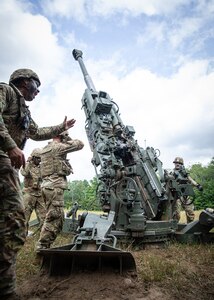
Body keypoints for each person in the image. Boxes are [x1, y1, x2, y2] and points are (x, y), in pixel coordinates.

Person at [0, 68, 76, 299]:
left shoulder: (23, 109)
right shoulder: (5, 90)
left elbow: (36, 132)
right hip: (3, 159)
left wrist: (60, 128)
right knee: (14, 224)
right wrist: (11, 145)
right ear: (24, 82)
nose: (39, 90)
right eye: (37, 84)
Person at [35, 131, 84, 251]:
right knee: (56, 218)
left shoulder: (45, 148)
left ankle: (43, 245)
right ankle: (42, 247)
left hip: (46, 186)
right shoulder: (58, 147)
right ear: (61, 136)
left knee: (51, 217)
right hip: (55, 187)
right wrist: (67, 137)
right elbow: (80, 144)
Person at [20, 148, 46, 234]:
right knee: (25, 216)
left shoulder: (41, 167)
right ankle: (23, 235)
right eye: (38, 158)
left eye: (40, 158)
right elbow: (24, 173)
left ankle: (42, 236)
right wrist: (28, 163)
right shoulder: (27, 166)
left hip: (39, 194)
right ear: (33, 157)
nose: (39, 160)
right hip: (29, 194)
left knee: (44, 216)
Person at [171, 157, 203, 223]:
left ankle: (189, 227)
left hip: (185, 195)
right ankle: (174, 228)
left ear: (182, 164)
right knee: (176, 215)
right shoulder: (172, 173)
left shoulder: (184, 173)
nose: (177, 164)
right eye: (176, 163)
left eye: (179, 163)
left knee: (190, 213)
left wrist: (197, 185)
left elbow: (190, 180)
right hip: (177, 196)